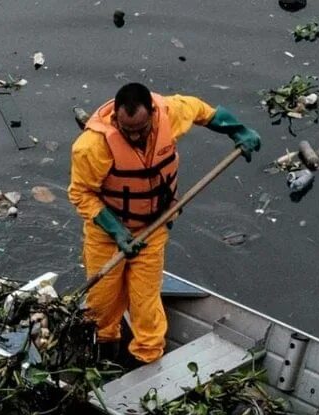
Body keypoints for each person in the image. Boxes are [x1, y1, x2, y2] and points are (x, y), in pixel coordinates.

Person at [67, 82, 259, 365]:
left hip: (153, 227)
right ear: (115, 119)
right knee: (102, 306)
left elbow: (204, 112)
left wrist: (238, 130)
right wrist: (117, 231)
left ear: (153, 115)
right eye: (127, 130)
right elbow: (80, 193)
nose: (134, 137)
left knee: (145, 303)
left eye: (141, 130)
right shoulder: (91, 147)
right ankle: (105, 352)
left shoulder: (168, 113)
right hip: (107, 233)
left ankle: (145, 360)